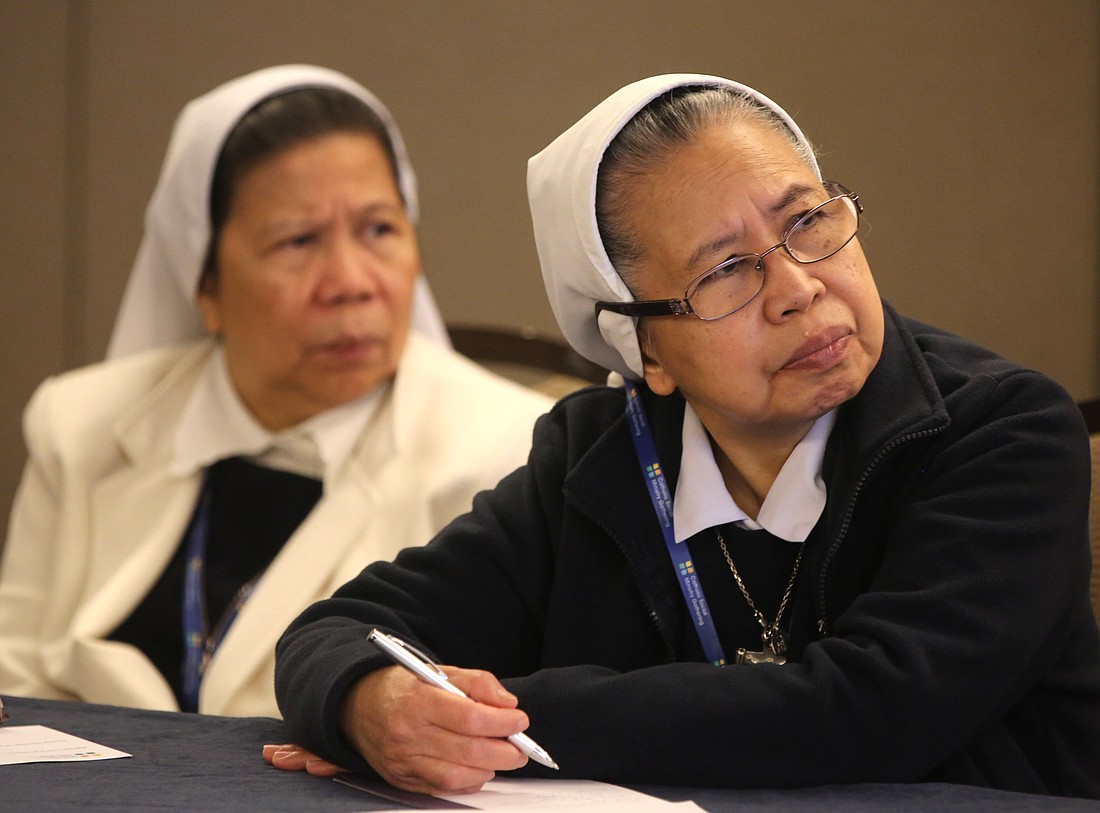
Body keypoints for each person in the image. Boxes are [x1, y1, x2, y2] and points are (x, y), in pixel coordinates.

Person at [268, 74, 1100, 798]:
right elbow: (340, 629)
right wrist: (369, 701)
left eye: (809, 221)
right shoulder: (599, 456)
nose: (800, 288)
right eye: (726, 270)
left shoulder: (1001, 429)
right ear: (647, 349)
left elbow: (872, 710)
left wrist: (494, 719)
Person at [0, 65, 551, 717]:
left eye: (378, 229)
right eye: (298, 241)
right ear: (203, 283)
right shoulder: (83, 423)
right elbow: (16, 682)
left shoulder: (503, 456)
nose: (350, 281)